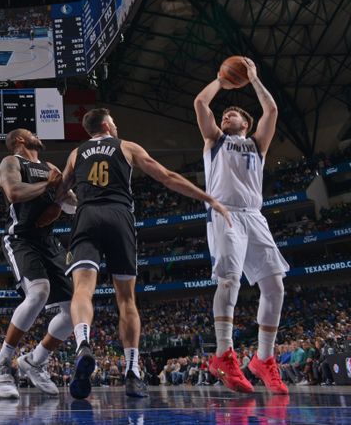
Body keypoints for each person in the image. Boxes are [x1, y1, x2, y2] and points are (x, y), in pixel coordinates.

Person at [56, 108, 231, 399]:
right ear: (105, 124)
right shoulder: (126, 146)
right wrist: (207, 197)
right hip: (119, 216)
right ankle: (133, 372)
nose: (116, 122)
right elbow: (166, 176)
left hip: (86, 217)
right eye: (113, 119)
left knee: (82, 290)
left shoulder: (77, 153)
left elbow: (61, 194)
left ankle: (83, 343)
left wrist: (74, 202)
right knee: (126, 299)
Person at [194, 58, 290, 394]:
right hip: (225, 213)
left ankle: (264, 359)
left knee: (275, 285)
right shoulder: (215, 140)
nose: (226, 116)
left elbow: (272, 111)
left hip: (255, 215)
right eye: (225, 115)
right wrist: (221, 80)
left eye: (233, 114)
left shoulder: (257, 145)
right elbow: (201, 103)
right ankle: (224, 353)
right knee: (230, 280)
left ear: (246, 123)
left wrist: (253, 79)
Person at [0, 128, 77, 398]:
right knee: (39, 292)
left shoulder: (50, 167)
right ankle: (0, 364)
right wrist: (48, 186)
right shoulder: (12, 161)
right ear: (20, 140)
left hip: (49, 241)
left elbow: (72, 203)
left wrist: (62, 199)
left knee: (75, 311)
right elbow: (14, 192)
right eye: (31, 132)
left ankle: (34, 361)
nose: (38, 133)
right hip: (21, 238)